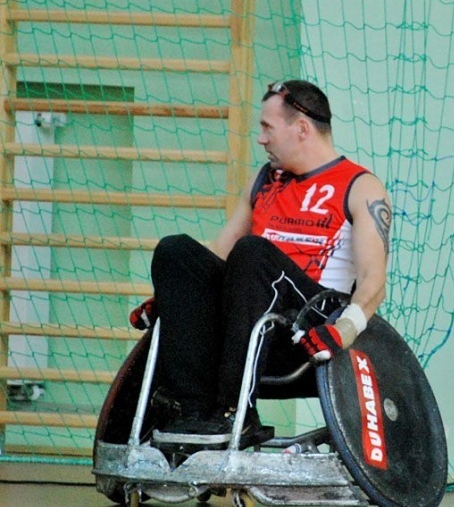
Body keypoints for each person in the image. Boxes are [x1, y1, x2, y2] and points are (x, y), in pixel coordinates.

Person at [145, 79, 392, 446]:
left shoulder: (361, 186)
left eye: (267, 127)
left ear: (302, 129)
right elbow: (216, 255)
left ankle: (236, 413)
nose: (261, 138)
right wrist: (175, 294)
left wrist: (346, 328)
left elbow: (374, 279)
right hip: (242, 316)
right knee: (176, 251)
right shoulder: (264, 181)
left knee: (252, 252)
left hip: (306, 328)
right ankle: (192, 413)